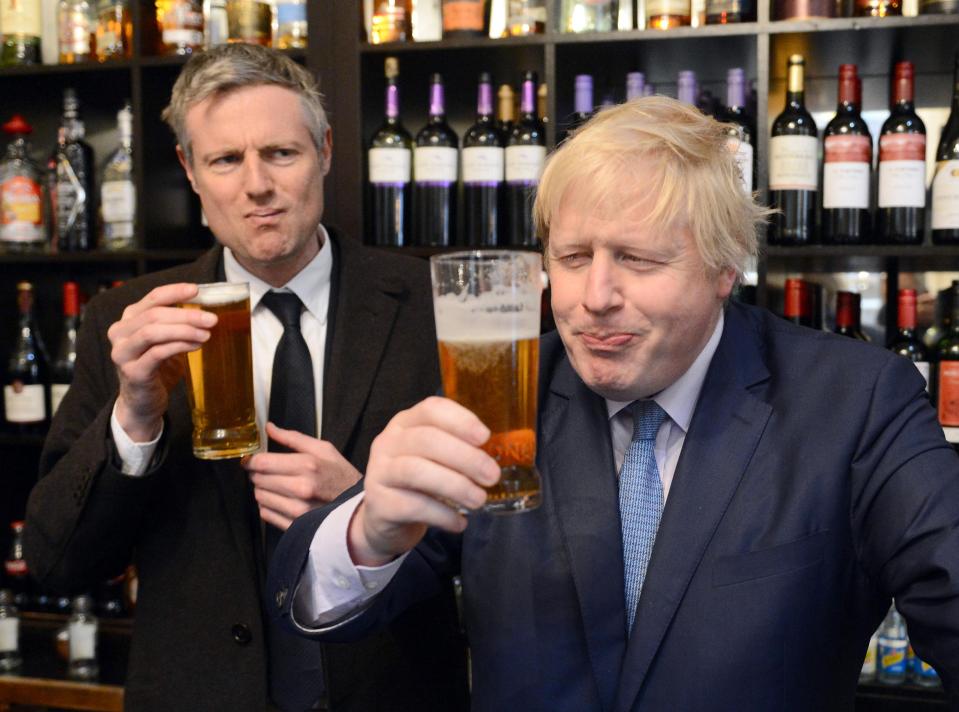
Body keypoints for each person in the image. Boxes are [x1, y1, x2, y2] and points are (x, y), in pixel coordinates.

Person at [268, 96, 959, 711]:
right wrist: (370, 530)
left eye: (637, 259)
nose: (593, 297)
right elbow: (319, 599)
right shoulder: (499, 393)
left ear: (724, 268)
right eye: (571, 258)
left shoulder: (855, 400)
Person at [23, 44, 468, 712]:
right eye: (226, 160)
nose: (256, 185)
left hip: (390, 692)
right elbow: (59, 561)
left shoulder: (431, 306)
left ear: (324, 150)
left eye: (280, 154)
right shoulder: (127, 320)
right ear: (190, 172)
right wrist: (135, 418)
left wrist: (364, 510)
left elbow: (502, 536)